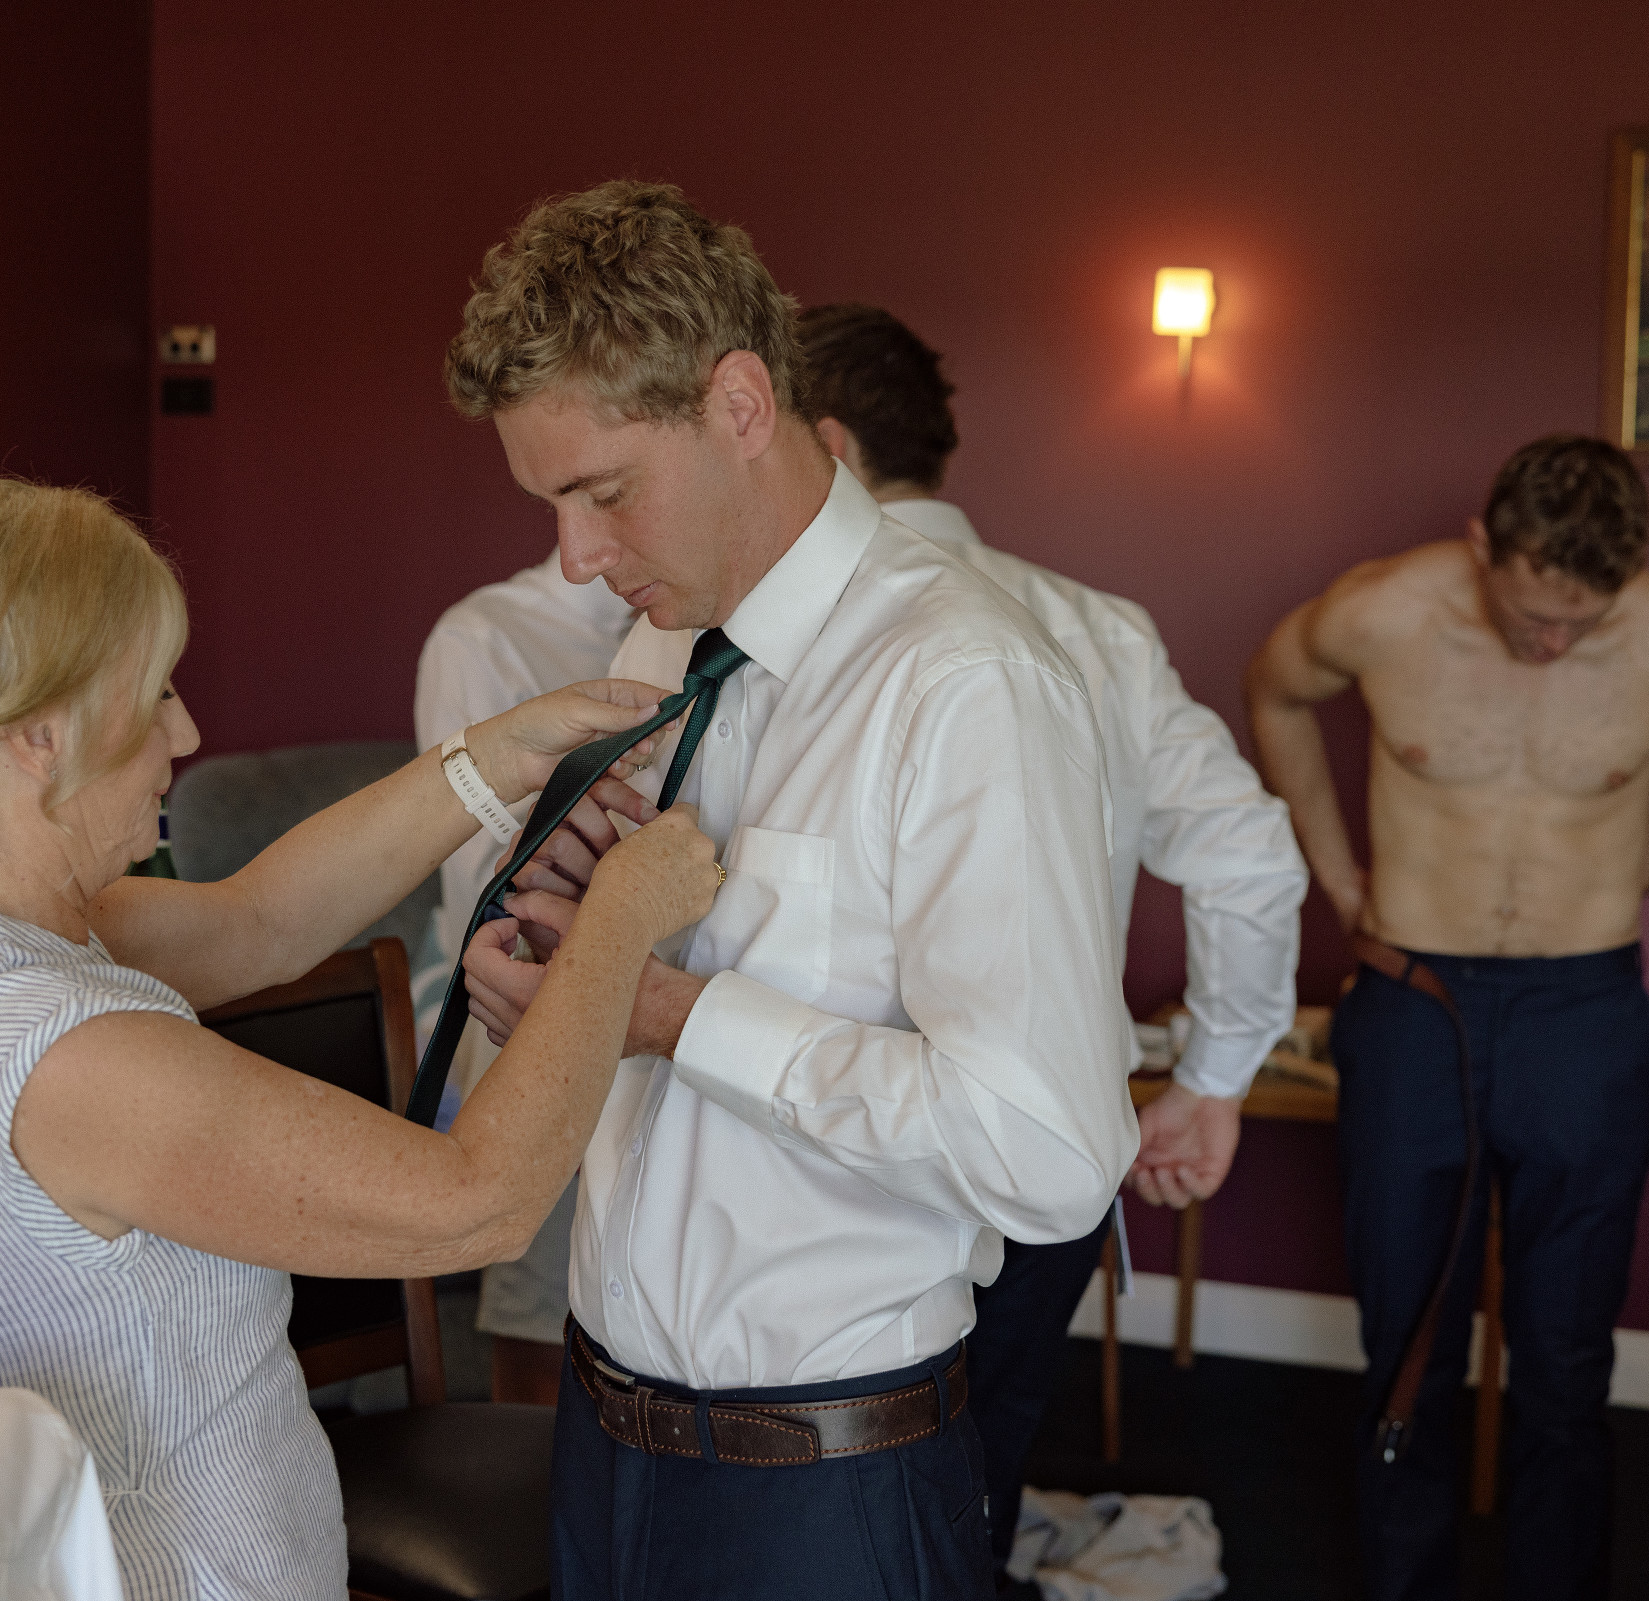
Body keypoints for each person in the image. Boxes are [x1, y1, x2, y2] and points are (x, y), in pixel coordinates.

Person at [0, 478, 722, 1601]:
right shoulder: (72, 1055)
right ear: (41, 734)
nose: (185, 732)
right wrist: (620, 919)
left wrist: (497, 754)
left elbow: (260, 921)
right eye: (154, 692)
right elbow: (478, 1200)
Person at [449, 181, 1137, 1600]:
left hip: (824, 1488)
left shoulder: (965, 679)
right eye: (550, 503)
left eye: (604, 492)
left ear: (742, 405)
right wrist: (568, 972)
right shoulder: (662, 652)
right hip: (602, 1432)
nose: (575, 556)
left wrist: (674, 1015)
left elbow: (1051, 1149)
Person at [798, 301, 1309, 1593]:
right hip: (1052, 1131)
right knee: (986, 1455)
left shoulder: (796, 633)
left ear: (829, 445)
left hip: (852, 1153)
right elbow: (1250, 852)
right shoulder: (1099, 627)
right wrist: (1212, 1082)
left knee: (839, 1496)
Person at [1245, 436, 1649, 1601]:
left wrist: (1622, 876)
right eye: (1534, 615)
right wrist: (1337, 875)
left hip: (1584, 1011)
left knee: (1566, 1357)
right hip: (1415, 1003)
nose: (1553, 644)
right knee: (1406, 1343)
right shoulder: (1383, 610)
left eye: (1583, 622)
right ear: (1485, 544)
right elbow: (1274, 690)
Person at [413, 553, 637, 1402]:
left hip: (673, 1016)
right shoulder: (484, 639)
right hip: (533, 1005)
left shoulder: (719, 629)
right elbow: (486, 901)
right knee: (546, 1347)